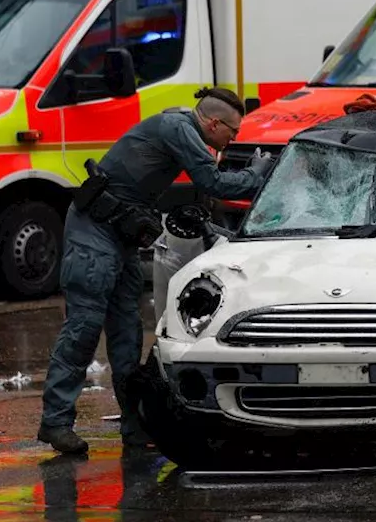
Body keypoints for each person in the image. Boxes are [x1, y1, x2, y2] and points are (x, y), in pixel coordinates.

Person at [37, 87, 275, 454]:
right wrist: (256, 174)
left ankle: (136, 428)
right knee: (84, 328)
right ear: (213, 123)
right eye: (233, 131)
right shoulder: (179, 129)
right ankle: (55, 423)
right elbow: (212, 182)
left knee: (128, 336)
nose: (234, 139)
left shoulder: (180, 130)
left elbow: (190, 190)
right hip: (94, 234)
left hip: (119, 236)